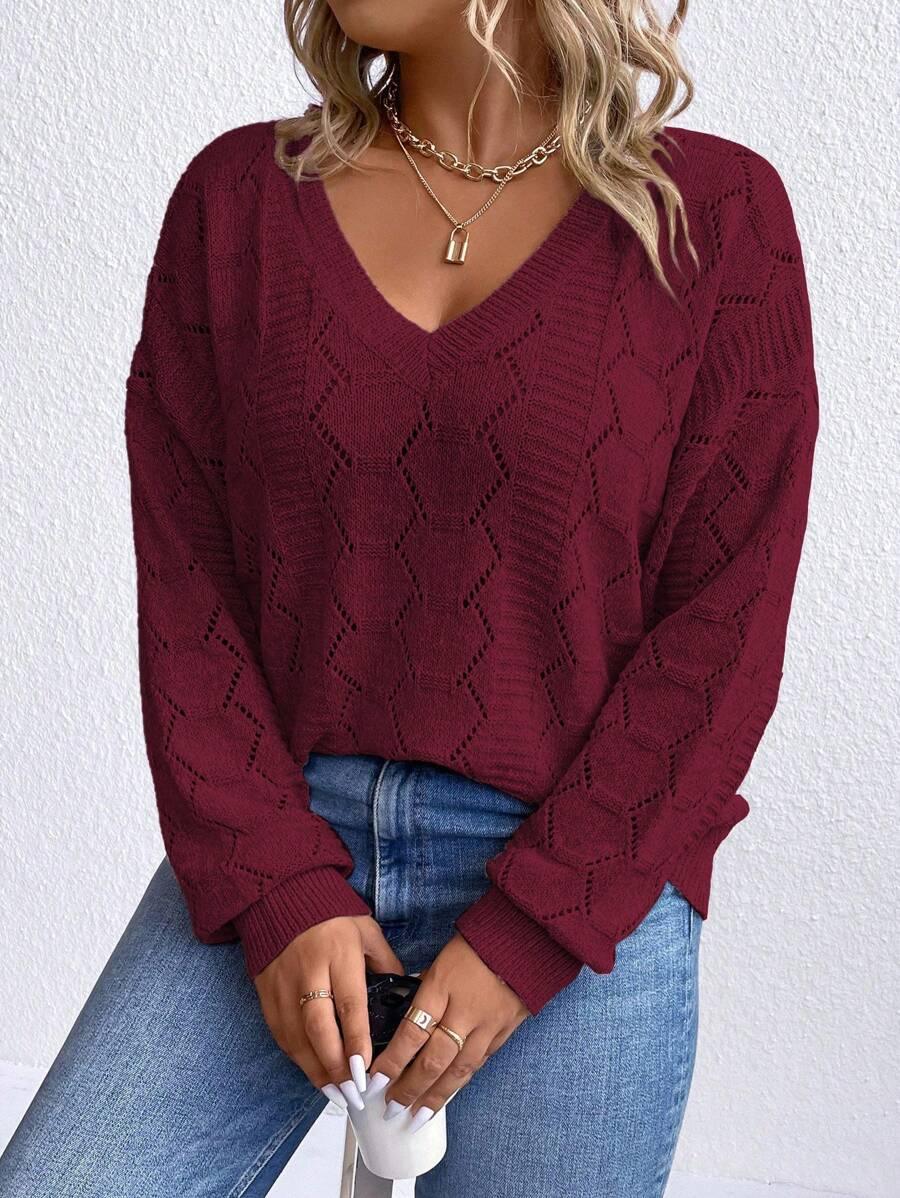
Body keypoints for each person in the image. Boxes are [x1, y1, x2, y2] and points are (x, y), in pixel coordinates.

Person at [0, 1, 820, 1194]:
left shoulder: (713, 221)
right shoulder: (239, 204)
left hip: (581, 878)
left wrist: (535, 927)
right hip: (281, 842)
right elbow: (187, 589)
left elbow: (722, 632)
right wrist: (278, 888)